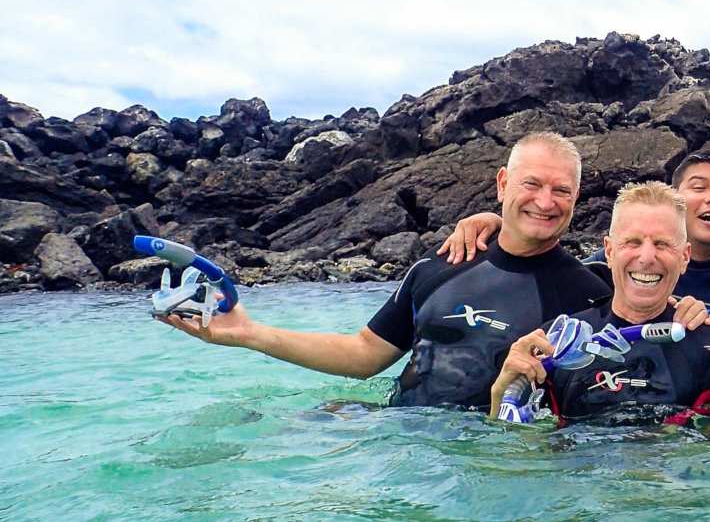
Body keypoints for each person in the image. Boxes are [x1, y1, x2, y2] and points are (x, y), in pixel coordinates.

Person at [157, 131, 611, 410]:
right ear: (502, 183)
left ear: (576, 198)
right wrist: (249, 333)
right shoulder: (439, 267)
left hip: (491, 459)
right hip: (398, 440)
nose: (546, 201)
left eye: (562, 190)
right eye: (532, 183)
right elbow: (363, 355)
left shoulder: (589, 296)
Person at [488, 182, 710, 426]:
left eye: (662, 244)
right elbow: (509, 453)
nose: (646, 258)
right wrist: (500, 393)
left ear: (684, 257)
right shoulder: (556, 345)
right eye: (632, 242)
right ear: (610, 252)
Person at [440, 150, 710, 311]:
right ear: (673, 200)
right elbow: (534, 264)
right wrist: (497, 225)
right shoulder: (600, 273)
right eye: (699, 187)